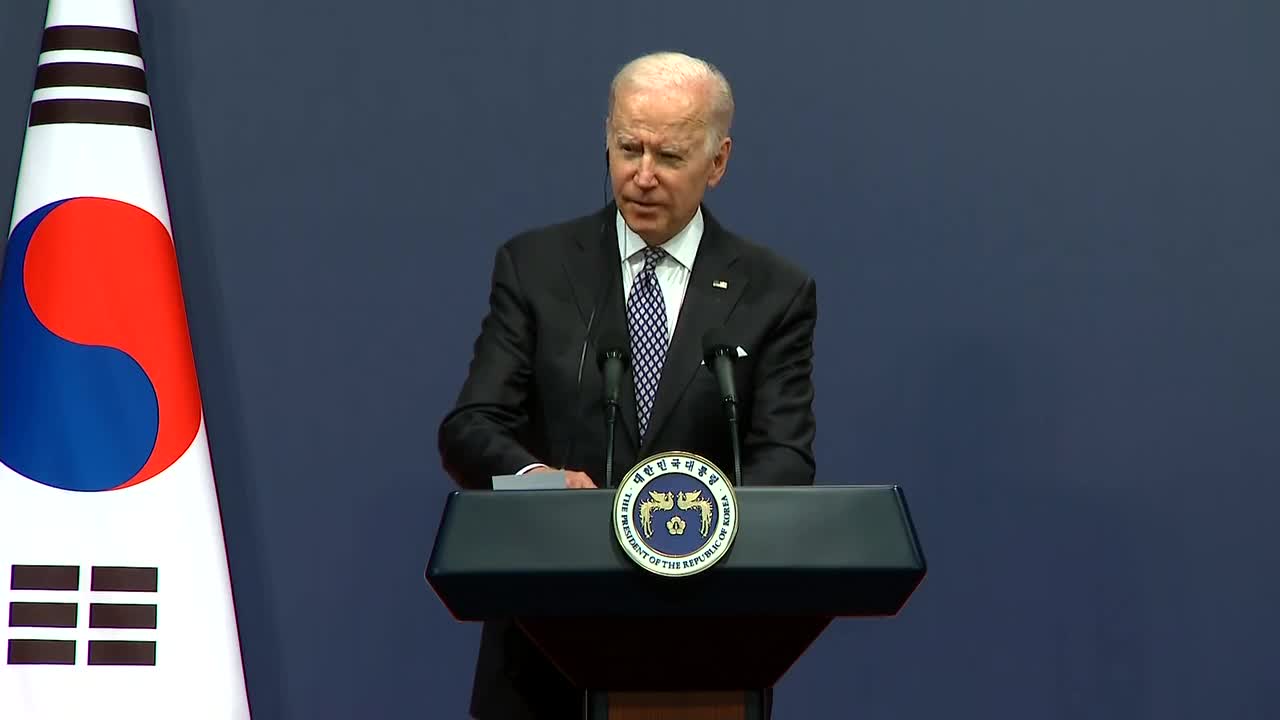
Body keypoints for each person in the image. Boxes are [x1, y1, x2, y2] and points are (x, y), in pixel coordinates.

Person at [438, 51, 818, 720]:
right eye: (626, 148)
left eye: (669, 156)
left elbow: (786, 456)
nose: (641, 175)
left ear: (718, 161)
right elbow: (472, 425)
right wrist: (540, 482)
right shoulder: (536, 267)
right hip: (542, 651)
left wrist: (696, 523)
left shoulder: (773, 291)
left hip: (704, 653)